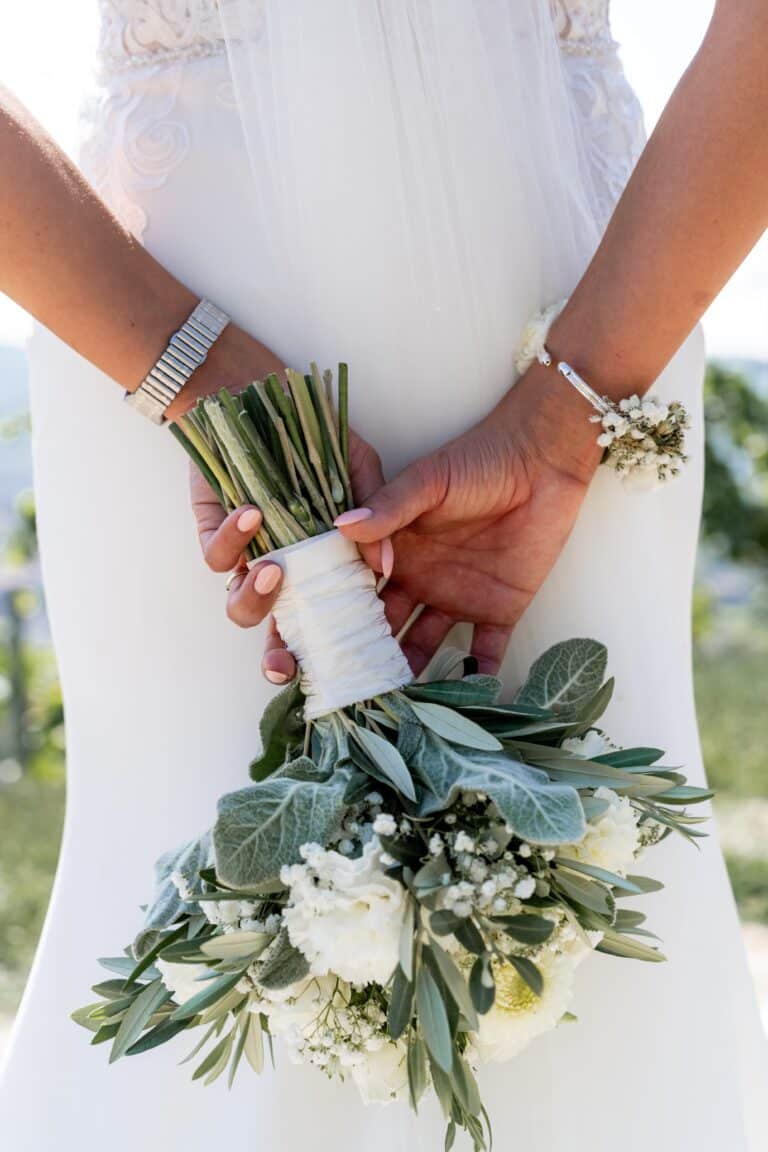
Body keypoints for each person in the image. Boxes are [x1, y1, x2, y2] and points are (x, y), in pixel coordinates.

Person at [0, 2, 766, 1149]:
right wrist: (188, 363)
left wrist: (574, 400)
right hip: (241, 325)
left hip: (551, 323)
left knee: (588, 901)